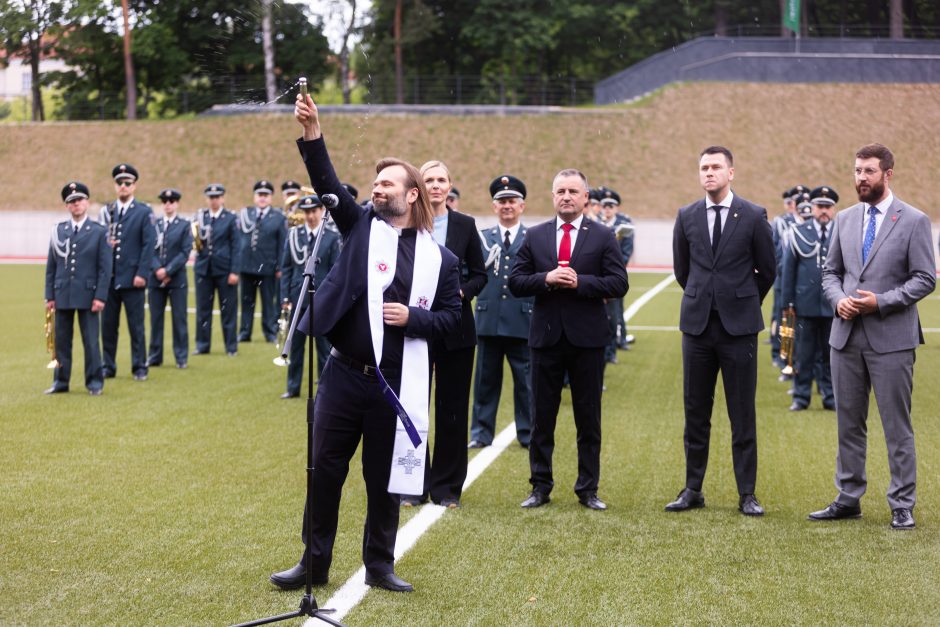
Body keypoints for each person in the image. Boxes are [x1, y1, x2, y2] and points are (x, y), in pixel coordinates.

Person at [269, 92, 461, 593]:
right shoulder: (359, 228)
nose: (377, 189)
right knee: (324, 472)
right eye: (375, 183)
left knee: (383, 481)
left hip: (394, 386)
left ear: (413, 194)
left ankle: (380, 566)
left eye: (387, 183)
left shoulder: (441, 261)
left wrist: (414, 318)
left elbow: (452, 320)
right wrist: (313, 133)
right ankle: (313, 565)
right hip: (342, 376)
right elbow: (327, 184)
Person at [810, 143, 935, 530]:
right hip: (845, 337)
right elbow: (830, 273)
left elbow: (925, 279)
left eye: (868, 171)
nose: (860, 178)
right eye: (857, 170)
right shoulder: (845, 219)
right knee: (848, 423)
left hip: (892, 340)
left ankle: (902, 503)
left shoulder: (913, 220)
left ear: (888, 174)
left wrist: (879, 302)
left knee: (896, 426)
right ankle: (849, 498)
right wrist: (839, 301)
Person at [508, 169, 628, 511]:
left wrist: (581, 283)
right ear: (552, 196)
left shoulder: (604, 236)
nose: (566, 196)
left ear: (585, 198)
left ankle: (588, 488)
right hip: (545, 339)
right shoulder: (535, 235)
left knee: (588, 418)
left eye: (573, 191)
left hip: (587, 340)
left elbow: (619, 283)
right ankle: (540, 485)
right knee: (541, 418)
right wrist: (546, 278)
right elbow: (516, 282)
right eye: (560, 190)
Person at [668, 146, 776, 517]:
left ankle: (747, 493)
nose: (709, 172)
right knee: (695, 411)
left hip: (739, 329)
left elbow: (768, 269)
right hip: (697, 328)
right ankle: (692, 489)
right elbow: (683, 271)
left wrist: (742, 301)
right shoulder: (686, 216)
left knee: (741, 413)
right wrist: (705, 298)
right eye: (703, 167)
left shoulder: (753, 214)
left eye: (716, 167)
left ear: (731, 173)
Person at [398, 160, 486, 508]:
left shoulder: (465, 225)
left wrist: (462, 292)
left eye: (441, 180)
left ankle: (447, 488)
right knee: (413, 408)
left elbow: (480, 274)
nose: (435, 185)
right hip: (415, 328)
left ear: (450, 186)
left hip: (456, 331)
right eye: (429, 179)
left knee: (452, 409)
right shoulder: (404, 221)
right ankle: (413, 485)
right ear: (419, 185)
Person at [469, 174, 534, 450]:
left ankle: (529, 433)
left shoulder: (533, 238)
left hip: (522, 319)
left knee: (526, 383)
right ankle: (481, 432)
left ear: (522, 206)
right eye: (502, 201)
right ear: (494, 206)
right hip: (489, 320)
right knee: (485, 381)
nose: (507, 205)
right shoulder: (482, 238)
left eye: (512, 201)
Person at [44, 182, 112, 395]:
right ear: (67, 206)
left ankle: (94, 383)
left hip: (89, 295)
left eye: (80, 200)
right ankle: (60, 382)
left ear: (87, 203)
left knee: (91, 342)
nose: (76, 204)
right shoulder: (58, 231)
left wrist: (100, 296)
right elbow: (51, 266)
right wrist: (50, 295)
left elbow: (105, 268)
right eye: (72, 201)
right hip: (62, 292)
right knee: (61, 343)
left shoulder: (99, 232)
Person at [780, 186, 838, 411]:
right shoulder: (798, 231)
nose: (823, 211)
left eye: (828, 207)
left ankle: (830, 396)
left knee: (830, 355)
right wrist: (788, 303)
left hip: (833, 305)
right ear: (812, 208)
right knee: (803, 355)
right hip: (805, 305)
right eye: (820, 206)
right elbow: (789, 271)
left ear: (833, 209)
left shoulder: (841, 232)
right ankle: (801, 397)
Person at [278, 194, 341, 398]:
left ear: (322, 211)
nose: (311, 216)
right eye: (307, 212)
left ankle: (325, 389)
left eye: (314, 211)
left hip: (321, 299)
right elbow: (287, 268)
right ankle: (292, 387)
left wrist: (330, 300)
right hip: (298, 297)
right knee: (295, 346)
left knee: (323, 348)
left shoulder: (331, 237)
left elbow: (334, 271)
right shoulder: (294, 235)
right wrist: (285, 297)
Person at [99, 163, 155, 381]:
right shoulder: (108, 211)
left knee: (136, 326)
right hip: (110, 279)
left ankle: (139, 366)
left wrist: (142, 273)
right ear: (115, 185)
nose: (123, 186)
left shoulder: (143, 212)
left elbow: (148, 245)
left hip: (133, 279)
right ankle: (108, 366)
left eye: (127, 183)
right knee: (108, 326)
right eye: (119, 183)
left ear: (134, 186)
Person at [147, 188, 193, 369]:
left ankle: (181, 357)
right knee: (155, 319)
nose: (168, 204)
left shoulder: (184, 225)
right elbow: (149, 248)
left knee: (179, 319)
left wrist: (168, 270)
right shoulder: (154, 225)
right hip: (155, 278)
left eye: (171, 201)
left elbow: (185, 252)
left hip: (177, 279)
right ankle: (155, 356)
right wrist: (157, 268)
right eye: (165, 201)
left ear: (177, 204)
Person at [193, 184, 240, 356]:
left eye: (217, 197)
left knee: (228, 310)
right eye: (211, 197)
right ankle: (202, 345)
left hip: (224, 270)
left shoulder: (230, 218)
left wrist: (234, 271)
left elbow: (236, 246)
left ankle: (231, 347)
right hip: (203, 269)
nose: (214, 201)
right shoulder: (200, 217)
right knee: (203, 309)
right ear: (207, 199)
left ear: (222, 199)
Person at [237, 180, 286, 343]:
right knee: (246, 302)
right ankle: (245, 332)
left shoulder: (278, 217)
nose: (262, 198)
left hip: (268, 267)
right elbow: (239, 241)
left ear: (271, 197)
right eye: (260, 195)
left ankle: (269, 332)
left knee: (268, 303)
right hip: (247, 266)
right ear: (254, 197)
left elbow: (282, 244)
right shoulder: (246, 214)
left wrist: (280, 266)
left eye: (266, 195)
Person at [770, 185, 807, 370]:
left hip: (804, 285)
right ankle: (781, 355)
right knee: (783, 319)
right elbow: (775, 251)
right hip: (784, 279)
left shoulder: (811, 226)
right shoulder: (782, 223)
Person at [597, 187, 635, 360]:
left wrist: (615, 269)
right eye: (605, 206)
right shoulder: (595, 224)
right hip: (596, 277)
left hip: (613, 277)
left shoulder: (623, 227)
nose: (607, 209)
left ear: (616, 208)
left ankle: (612, 351)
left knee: (614, 315)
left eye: (611, 206)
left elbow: (626, 252)